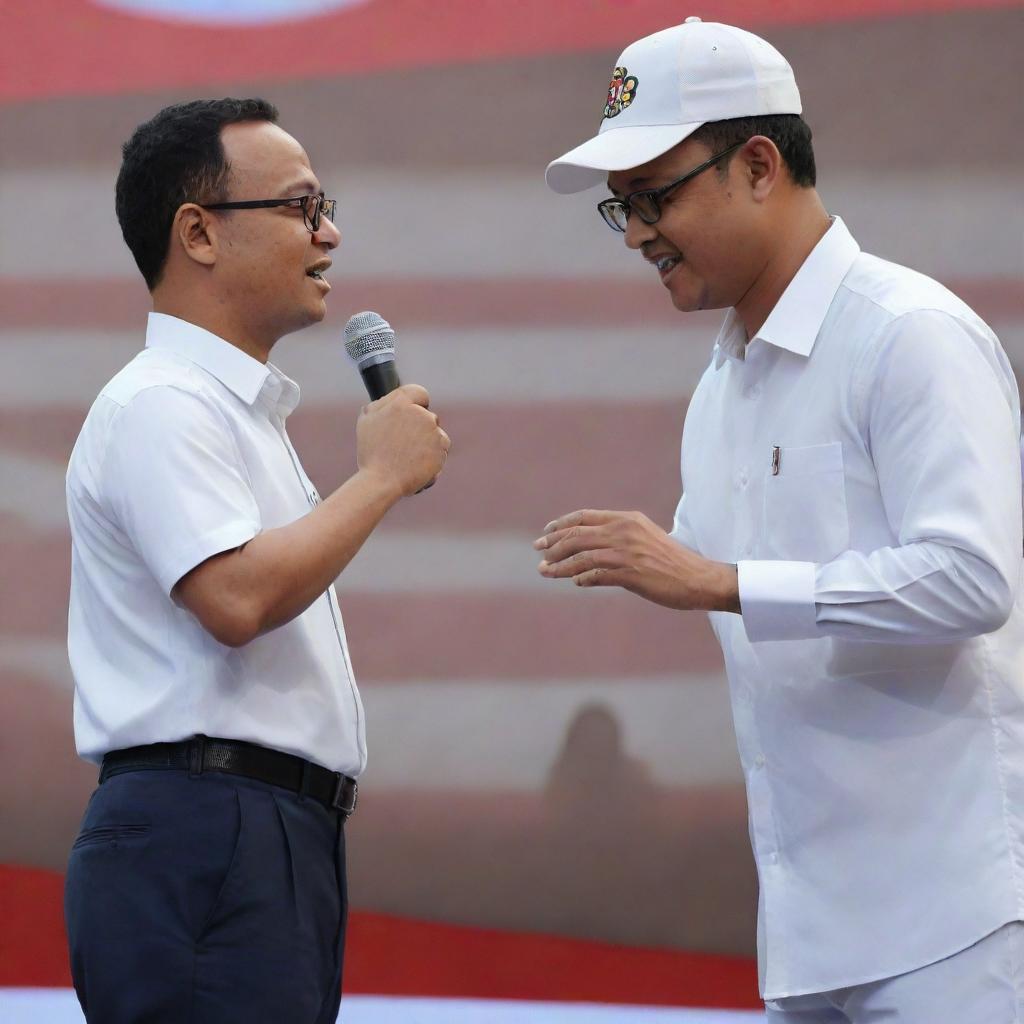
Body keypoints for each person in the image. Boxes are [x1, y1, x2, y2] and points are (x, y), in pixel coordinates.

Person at [537, 18, 1024, 1023]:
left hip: (957, 919)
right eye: (618, 207)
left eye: (653, 196)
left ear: (758, 164)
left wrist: (719, 580)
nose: (634, 233)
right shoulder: (720, 386)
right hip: (805, 934)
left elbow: (974, 578)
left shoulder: (907, 335)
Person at [64, 98, 450, 1023]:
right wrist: (382, 478)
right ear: (197, 232)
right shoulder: (162, 402)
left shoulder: (233, 413)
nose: (331, 232)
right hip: (205, 827)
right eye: (302, 207)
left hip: (263, 830)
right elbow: (235, 598)